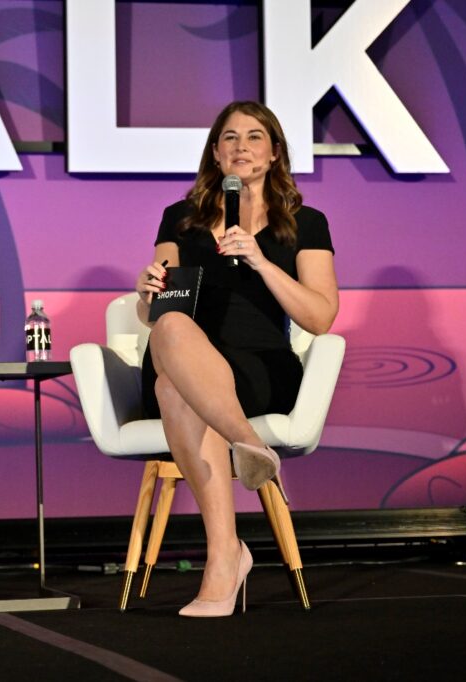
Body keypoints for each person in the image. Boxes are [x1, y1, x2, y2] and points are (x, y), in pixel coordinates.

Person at [136, 101, 338, 617]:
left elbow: (320, 317)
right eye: (229, 138)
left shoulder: (306, 224)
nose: (240, 147)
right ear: (215, 153)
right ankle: (248, 447)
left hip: (261, 369)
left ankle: (224, 557)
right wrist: (145, 293)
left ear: (273, 153)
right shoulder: (179, 219)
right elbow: (159, 311)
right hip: (190, 355)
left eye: (253, 137)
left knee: (174, 391)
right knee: (173, 329)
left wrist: (261, 261)